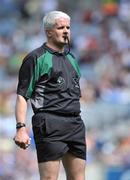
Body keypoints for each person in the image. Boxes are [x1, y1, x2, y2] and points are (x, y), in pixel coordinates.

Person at [14, 11, 86, 180]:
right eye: (60, 27)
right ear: (48, 32)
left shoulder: (72, 58)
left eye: (68, 27)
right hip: (49, 123)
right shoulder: (35, 58)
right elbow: (22, 96)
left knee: (78, 178)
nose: (66, 31)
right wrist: (20, 128)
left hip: (75, 123)